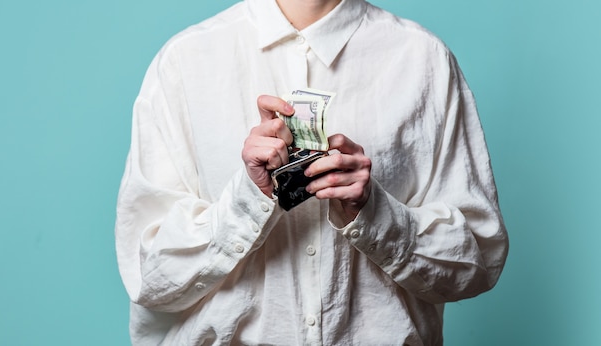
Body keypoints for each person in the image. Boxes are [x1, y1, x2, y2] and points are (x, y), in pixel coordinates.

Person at [115, 0, 509, 344]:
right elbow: (148, 274)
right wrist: (249, 200)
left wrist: (371, 213)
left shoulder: (423, 59)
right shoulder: (187, 61)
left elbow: (477, 261)